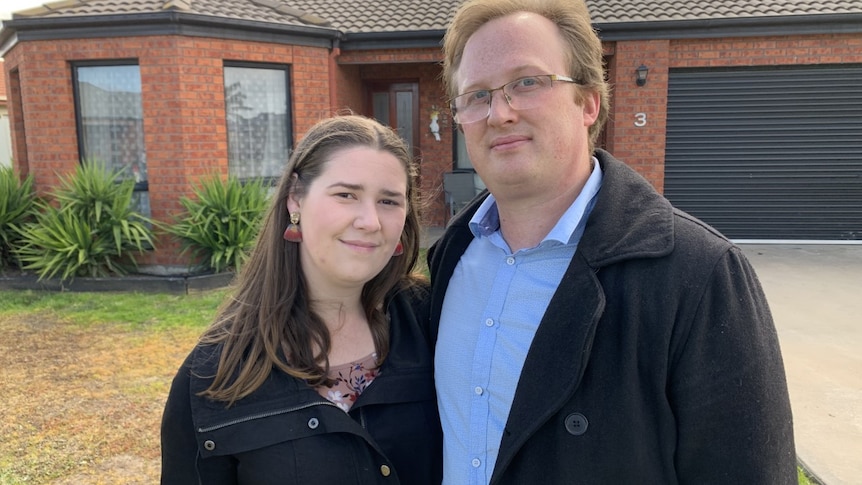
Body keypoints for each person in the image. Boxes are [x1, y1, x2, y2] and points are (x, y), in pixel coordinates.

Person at [428, 0, 797, 483]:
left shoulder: (699, 275)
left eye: (527, 82)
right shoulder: (450, 258)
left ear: (588, 102)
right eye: (476, 95)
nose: (499, 112)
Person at [161, 115, 442, 484]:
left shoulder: (434, 323)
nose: (370, 221)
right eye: (346, 195)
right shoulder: (217, 371)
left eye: (389, 201)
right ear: (295, 198)